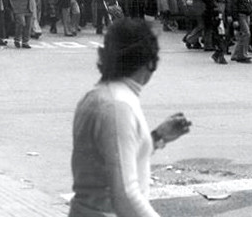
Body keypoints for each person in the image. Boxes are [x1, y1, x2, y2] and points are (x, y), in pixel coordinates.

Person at [69, 18, 191, 216]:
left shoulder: (98, 96)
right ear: (150, 61)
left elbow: (113, 159)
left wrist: (157, 138)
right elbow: (125, 195)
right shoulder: (118, 106)